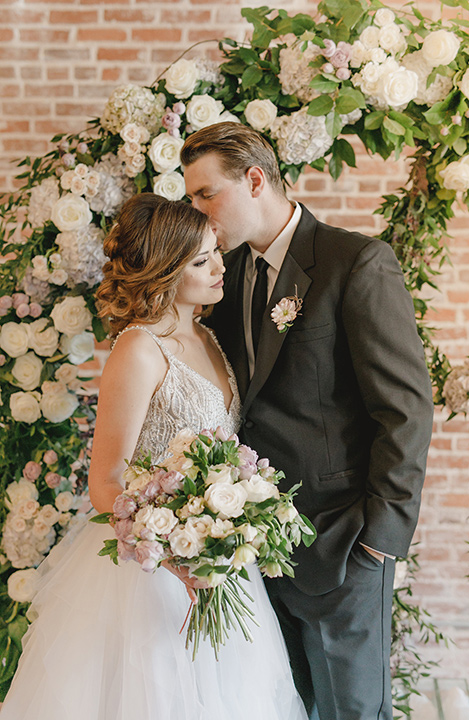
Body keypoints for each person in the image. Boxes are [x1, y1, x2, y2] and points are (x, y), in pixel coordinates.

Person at [0, 193, 308, 720]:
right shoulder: (139, 349)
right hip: (148, 575)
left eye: (216, 252)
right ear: (165, 271)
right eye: (200, 261)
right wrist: (171, 553)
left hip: (214, 561)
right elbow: (105, 481)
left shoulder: (209, 336)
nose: (219, 267)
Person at [181, 123, 434, 720]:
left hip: (343, 546)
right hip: (256, 553)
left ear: (254, 179)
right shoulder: (225, 274)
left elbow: (404, 409)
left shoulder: (356, 263)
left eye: (205, 194)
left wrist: (379, 542)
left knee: (352, 712)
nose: (197, 212)